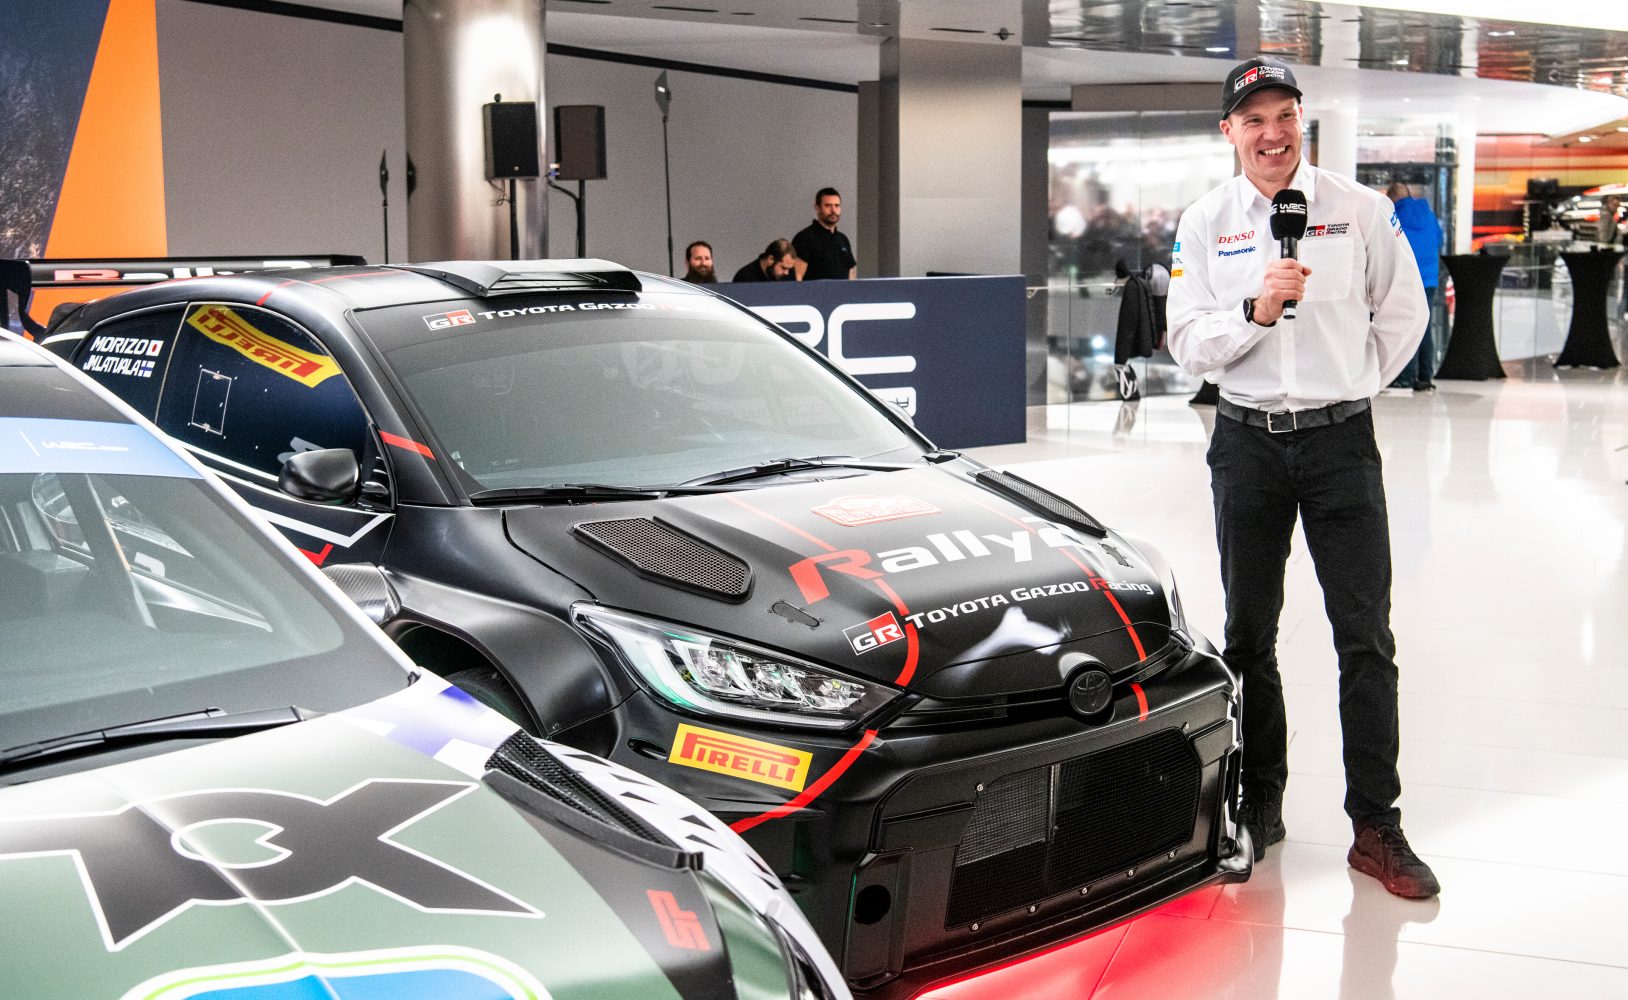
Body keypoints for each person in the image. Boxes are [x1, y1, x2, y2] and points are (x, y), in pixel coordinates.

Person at [1166, 56, 1438, 900]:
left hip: (1339, 446)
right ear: (1229, 132)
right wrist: (1255, 312)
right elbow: (1186, 339)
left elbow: (1404, 313)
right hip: (1245, 444)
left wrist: (1349, 386)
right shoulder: (1205, 222)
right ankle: (1261, 802)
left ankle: (1377, 825)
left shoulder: (1359, 210)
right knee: (1249, 636)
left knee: (1366, 638)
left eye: (1284, 115)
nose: (1272, 133)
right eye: (1254, 119)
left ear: (1301, 122)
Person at [1386, 182, 1445, 391]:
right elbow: (1439, 241)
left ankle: (1406, 377)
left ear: (1392, 199)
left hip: (1408, 279)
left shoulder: (1394, 217)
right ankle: (1425, 376)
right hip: (1430, 279)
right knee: (1424, 326)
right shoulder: (1429, 216)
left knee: (1407, 326)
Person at [792, 188, 856, 280]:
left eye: (837, 206)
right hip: (814, 290)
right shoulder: (804, 238)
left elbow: (851, 276)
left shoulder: (843, 239)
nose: (833, 210)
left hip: (843, 290)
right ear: (817, 208)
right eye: (828, 206)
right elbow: (797, 276)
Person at [731, 238, 799, 282]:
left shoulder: (789, 273)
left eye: (789, 269)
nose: (787, 273)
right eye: (783, 268)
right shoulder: (745, 278)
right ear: (770, 259)